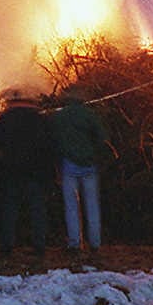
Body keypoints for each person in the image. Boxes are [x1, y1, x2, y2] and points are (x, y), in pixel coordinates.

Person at [0, 89, 54, 256]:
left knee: (9, 210)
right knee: (37, 210)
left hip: (11, 171)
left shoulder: (5, 119)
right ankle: (39, 246)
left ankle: (7, 246)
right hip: (35, 172)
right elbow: (48, 146)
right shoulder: (41, 118)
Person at [51, 91, 108, 253]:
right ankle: (95, 243)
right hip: (90, 167)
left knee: (71, 207)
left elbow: (54, 142)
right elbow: (102, 138)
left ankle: (74, 243)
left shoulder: (59, 117)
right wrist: (94, 156)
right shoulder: (90, 114)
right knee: (92, 205)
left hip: (68, 167)